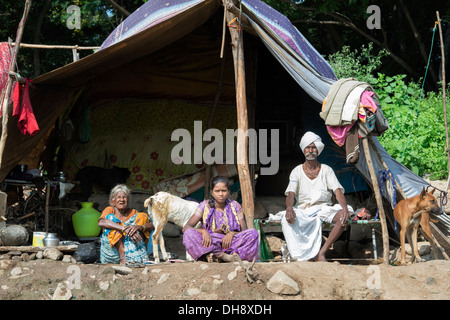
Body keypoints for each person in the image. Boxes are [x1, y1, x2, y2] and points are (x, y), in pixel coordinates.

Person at [282, 131, 353, 262]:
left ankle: (322, 252)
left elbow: (337, 191)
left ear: (318, 150)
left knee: (343, 217)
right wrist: (289, 208)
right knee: (287, 221)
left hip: (323, 209)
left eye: (313, 147)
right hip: (303, 210)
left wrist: (344, 208)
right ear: (303, 150)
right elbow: (291, 194)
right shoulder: (296, 171)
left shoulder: (326, 170)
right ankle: (303, 255)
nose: (310, 150)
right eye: (307, 147)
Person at [182, 176, 259, 262]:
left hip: (231, 243)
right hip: (210, 242)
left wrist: (231, 234)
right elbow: (186, 227)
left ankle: (223, 256)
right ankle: (218, 255)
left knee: (253, 233)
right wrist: (203, 231)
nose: (221, 194)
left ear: (228, 191)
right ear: (212, 192)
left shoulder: (235, 205)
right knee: (188, 233)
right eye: (217, 191)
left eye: (224, 191)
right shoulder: (204, 205)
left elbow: (244, 230)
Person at [98, 184, 154, 264]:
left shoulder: (133, 212)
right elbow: (101, 222)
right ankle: (122, 255)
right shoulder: (110, 209)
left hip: (131, 253)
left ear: (128, 200)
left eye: (124, 197)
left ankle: (136, 256)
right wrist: (124, 228)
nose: (122, 200)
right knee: (110, 219)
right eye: (118, 197)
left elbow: (153, 225)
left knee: (142, 216)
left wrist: (140, 227)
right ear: (113, 201)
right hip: (111, 254)